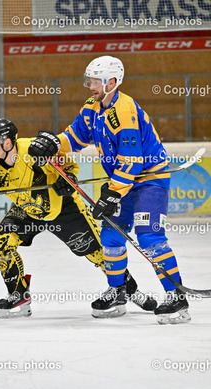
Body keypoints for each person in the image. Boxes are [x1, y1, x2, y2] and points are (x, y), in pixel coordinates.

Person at [46, 55, 189, 324]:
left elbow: (131, 160)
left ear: (111, 82)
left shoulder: (124, 111)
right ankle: (118, 291)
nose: (90, 86)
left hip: (149, 180)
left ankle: (176, 297)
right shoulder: (92, 106)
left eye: (95, 81)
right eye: (89, 80)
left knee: (149, 237)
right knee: (110, 237)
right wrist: (54, 142)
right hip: (122, 182)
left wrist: (112, 194)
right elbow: (75, 137)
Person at [0, 118, 156, 318]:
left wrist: (68, 179)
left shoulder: (33, 151)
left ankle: (129, 290)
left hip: (64, 208)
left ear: (7, 142)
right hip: (28, 210)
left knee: (98, 253)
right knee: (1, 242)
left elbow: (68, 166)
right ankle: (17, 292)